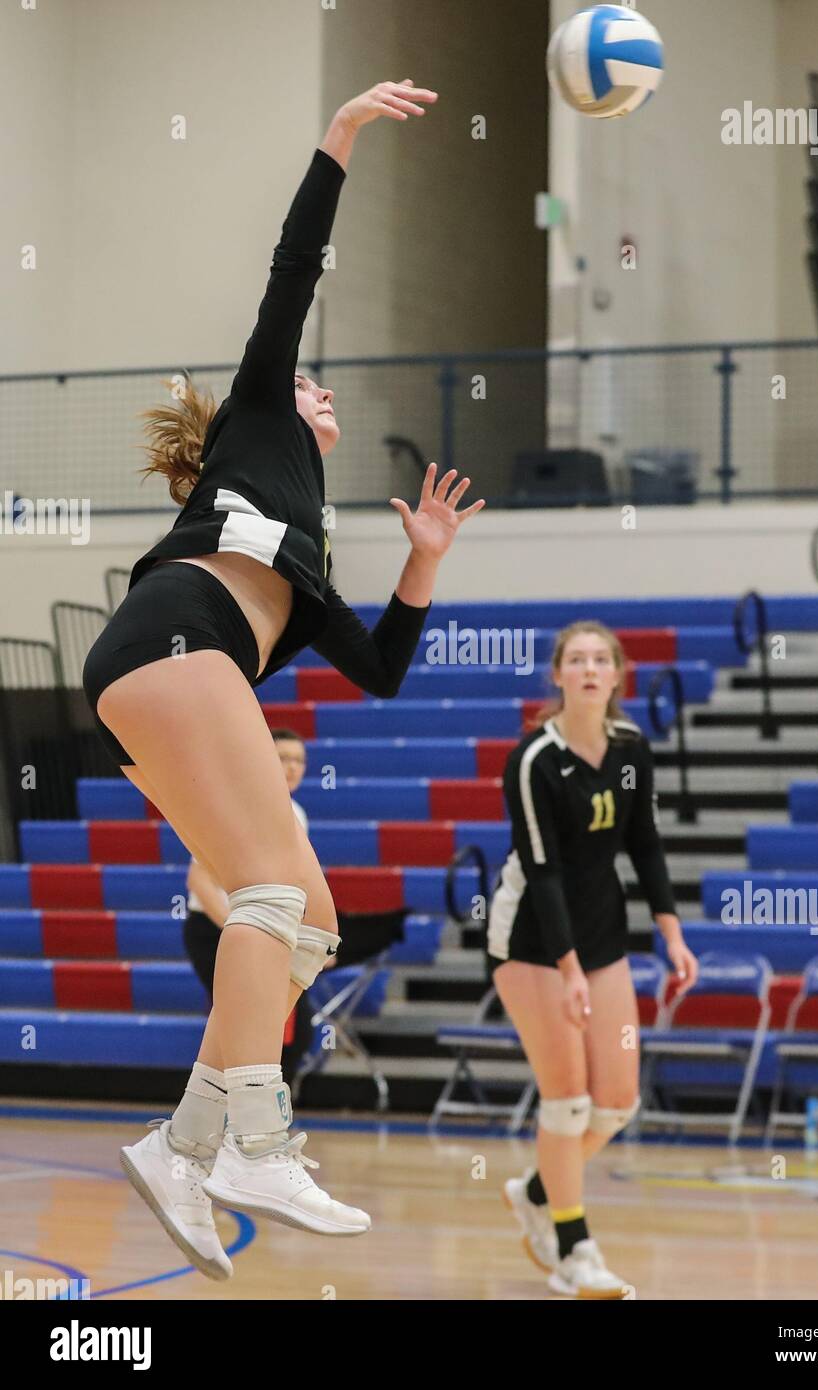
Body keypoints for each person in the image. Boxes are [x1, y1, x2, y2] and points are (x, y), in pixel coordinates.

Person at [82, 79, 484, 1282]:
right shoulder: (256, 419)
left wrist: (421, 565)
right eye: (314, 385)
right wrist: (342, 136)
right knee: (264, 886)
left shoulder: (308, 568)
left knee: (305, 914)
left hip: (173, 675)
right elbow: (292, 276)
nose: (321, 391)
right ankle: (261, 1137)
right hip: (169, 635)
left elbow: (384, 672)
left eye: (315, 388)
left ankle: (187, 1139)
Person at [487, 620, 698, 1298]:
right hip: (532, 940)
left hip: (606, 932)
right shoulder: (533, 760)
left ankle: (539, 1190)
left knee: (616, 1101)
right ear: (557, 675)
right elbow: (544, 874)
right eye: (574, 659)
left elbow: (647, 844)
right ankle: (574, 1249)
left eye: (599, 659)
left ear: (617, 674)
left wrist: (672, 935)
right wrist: (568, 970)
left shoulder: (633, 748)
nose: (587, 669)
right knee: (569, 1100)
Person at [183, 730, 314, 1088]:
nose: (291, 767)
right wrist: (241, 931)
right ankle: (226, 1122)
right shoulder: (236, 805)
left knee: (290, 1029)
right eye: (282, 757)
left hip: (263, 933)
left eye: (298, 760)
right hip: (217, 929)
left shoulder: (295, 813)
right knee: (243, 1026)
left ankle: (254, 1122)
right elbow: (198, 881)